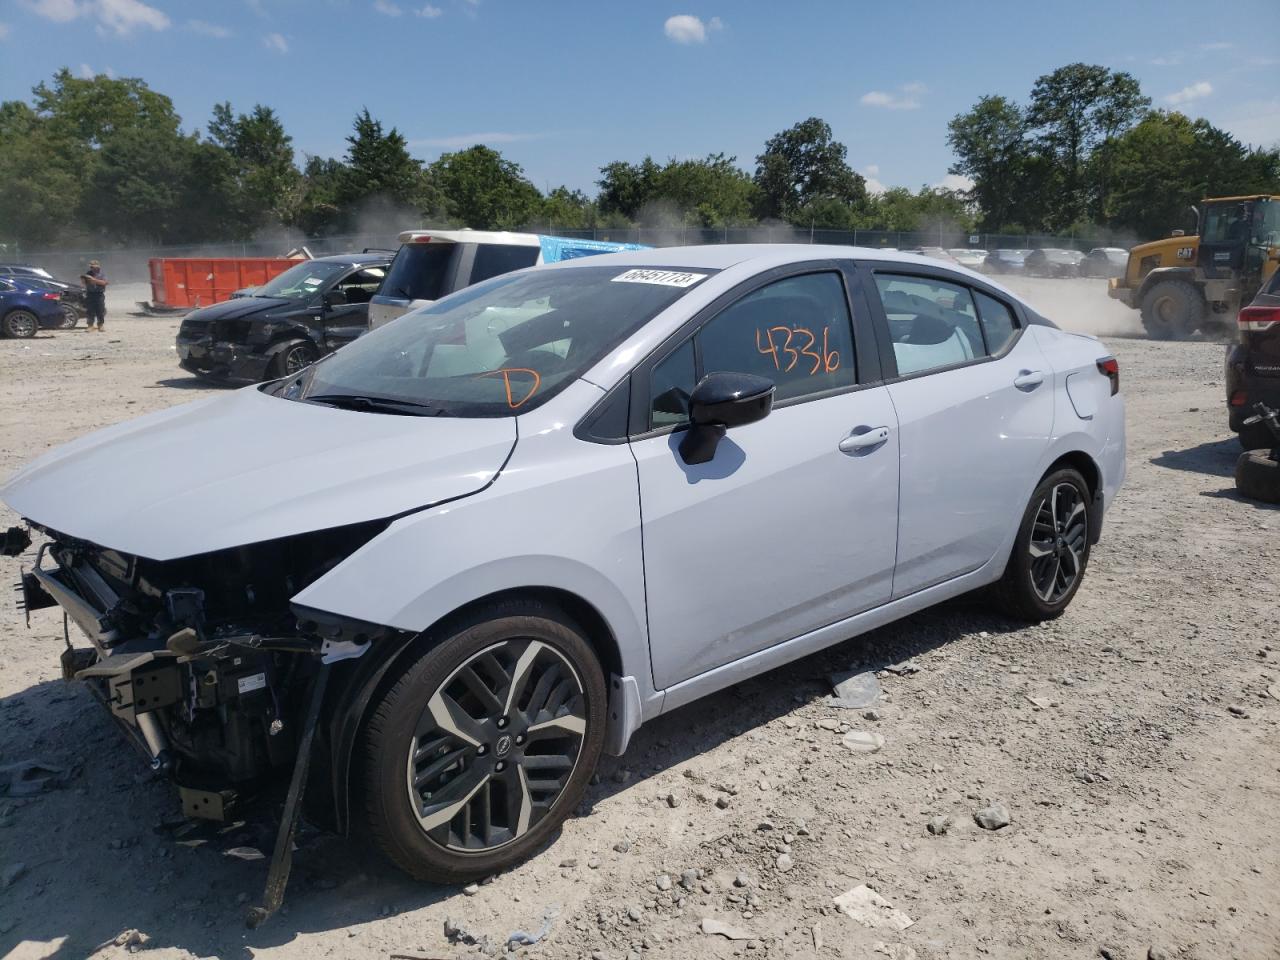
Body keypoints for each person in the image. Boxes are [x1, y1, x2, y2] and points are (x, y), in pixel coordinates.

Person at [81, 259, 108, 331]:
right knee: (90, 310)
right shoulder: (88, 273)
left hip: (99, 294)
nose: (93, 268)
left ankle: (100, 325)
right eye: (92, 267)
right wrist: (83, 280)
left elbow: (105, 283)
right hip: (90, 293)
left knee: (100, 310)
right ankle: (90, 325)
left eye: (94, 267)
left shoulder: (102, 274)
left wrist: (94, 280)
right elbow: (84, 283)